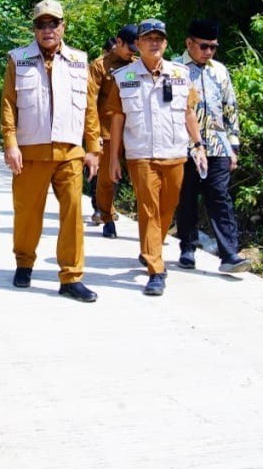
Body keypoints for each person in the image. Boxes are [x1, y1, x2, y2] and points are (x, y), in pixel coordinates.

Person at [1, 0, 101, 302]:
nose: (48, 29)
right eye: (41, 24)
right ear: (34, 29)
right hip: (31, 150)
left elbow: (90, 108)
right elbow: (8, 104)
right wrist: (10, 143)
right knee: (28, 213)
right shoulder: (18, 59)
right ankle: (24, 263)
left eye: (53, 23)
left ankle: (71, 277)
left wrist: (93, 147)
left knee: (72, 213)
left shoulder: (79, 60)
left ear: (63, 26)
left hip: (70, 150)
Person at [103, 19, 206, 297]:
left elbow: (188, 113)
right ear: (139, 43)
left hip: (174, 154)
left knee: (167, 208)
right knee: (148, 209)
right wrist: (114, 159)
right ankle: (155, 270)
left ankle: (152, 248)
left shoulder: (181, 74)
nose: (154, 43)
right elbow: (116, 121)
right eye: (148, 38)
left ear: (166, 42)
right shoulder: (123, 77)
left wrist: (198, 145)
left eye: (159, 38)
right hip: (141, 156)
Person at [175, 19, 251, 272]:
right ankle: (187, 246)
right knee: (187, 198)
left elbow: (231, 108)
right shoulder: (175, 70)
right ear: (189, 43)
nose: (209, 51)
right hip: (185, 147)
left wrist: (234, 145)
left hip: (218, 146)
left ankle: (229, 254)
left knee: (219, 197)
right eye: (204, 46)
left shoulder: (220, 71)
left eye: (213, 47)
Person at [86, 23, 138, 238]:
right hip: (107, 132)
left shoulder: (140, 64)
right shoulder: (100, 66)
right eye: (130, 48)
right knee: (107, 180)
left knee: (142, 179)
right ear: (119, 42)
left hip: (135, 131)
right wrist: (93, 135)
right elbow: (90, 103)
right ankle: (107, 217)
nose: (134, 53)